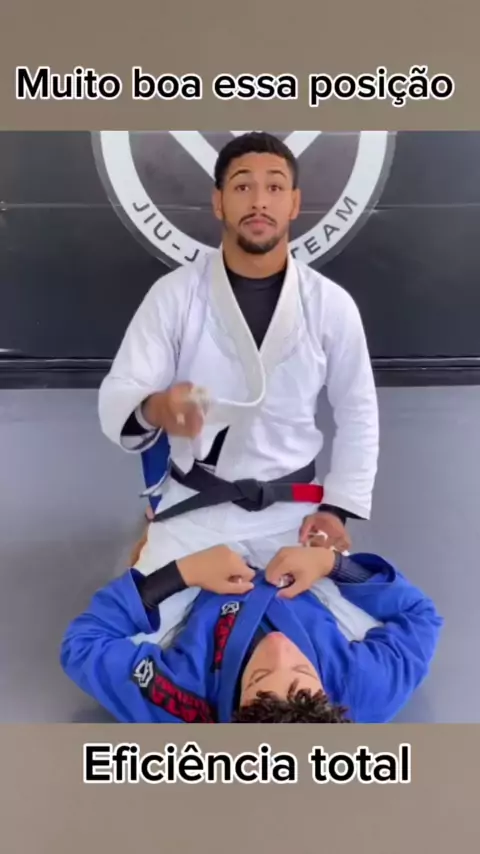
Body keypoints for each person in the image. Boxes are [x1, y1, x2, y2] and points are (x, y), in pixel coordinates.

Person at [98, 131, 379, 575]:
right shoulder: (174, 294)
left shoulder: (330, 303)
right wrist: (157, 408)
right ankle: (157, 530)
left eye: (275, 187)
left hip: (296, 514)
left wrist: (336, 511)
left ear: (294, 203)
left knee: (346, 616)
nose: (259, 202)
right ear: (218, 202)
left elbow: (358, 410)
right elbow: (122, 389)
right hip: (195, 505)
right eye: (243, 186)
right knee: (141, 616)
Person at [60, 540, 443, 724]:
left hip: (201, 567)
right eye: (303, 671)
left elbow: (82, 646)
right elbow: (420, 616)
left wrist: (179, 574)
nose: (279, 649)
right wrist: (332, 564)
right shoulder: (364, 690)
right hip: (299, 561)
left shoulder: (184, 707)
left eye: (258, 677)